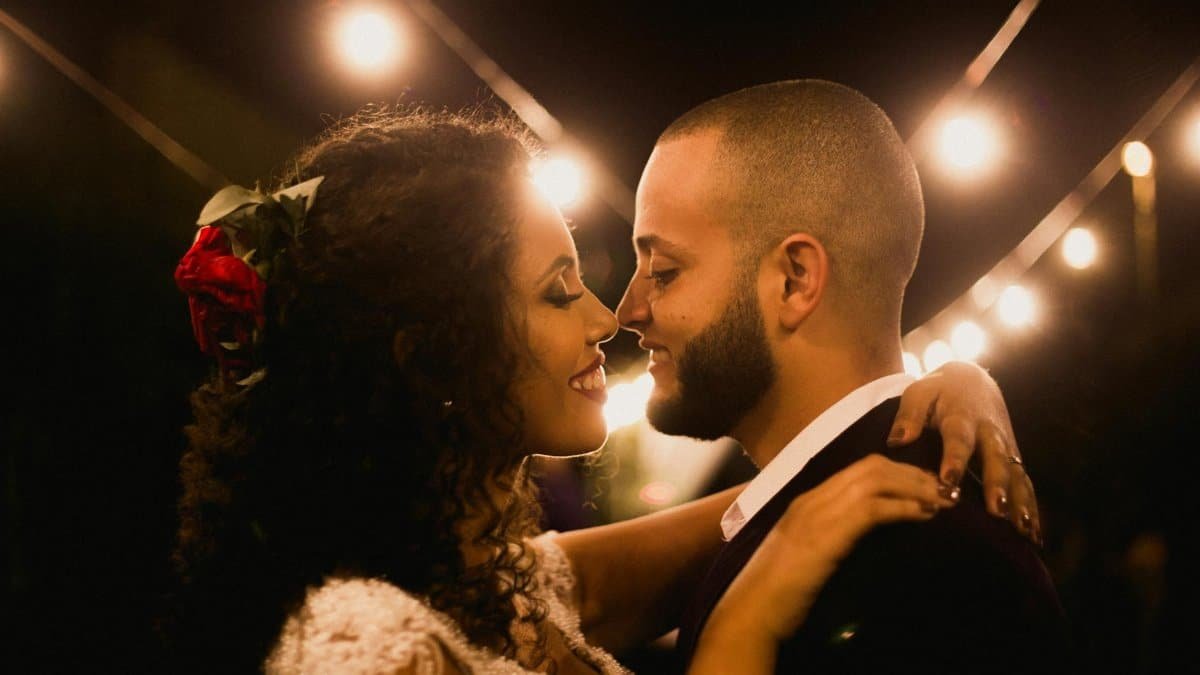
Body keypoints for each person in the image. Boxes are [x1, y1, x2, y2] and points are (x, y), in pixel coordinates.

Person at [167, 107, 1039, 673]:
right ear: (435, 358)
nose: (609, 315)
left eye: (655, 268)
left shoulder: (514, 585)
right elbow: (785, 528)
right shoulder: (359, 648)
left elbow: (797, 498)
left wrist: (936, 391)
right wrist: (741, 634)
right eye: (558, 290)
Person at [615, 80, 1069, 673]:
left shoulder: (922, 562)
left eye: (664, 269)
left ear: (795, 279)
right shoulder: (819, 520)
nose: (627, 310)